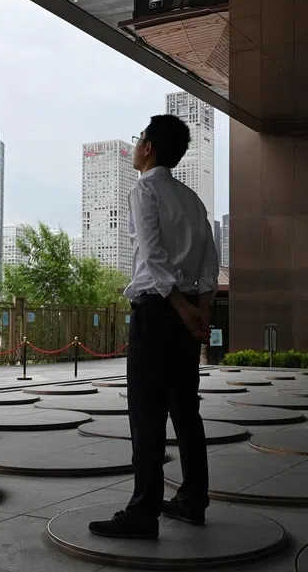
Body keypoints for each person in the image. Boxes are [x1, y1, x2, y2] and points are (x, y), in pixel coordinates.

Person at [89, 114, 219, 540]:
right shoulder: (193, 200)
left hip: (156, 310)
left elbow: (152, 254)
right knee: (186, 410)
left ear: (149, 147)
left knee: (146, 414)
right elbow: (209, 262)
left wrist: (181, 306)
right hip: (184, 314)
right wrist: (199, 309)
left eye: (139, 138)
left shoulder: (145, 190)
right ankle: (193, 499)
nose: (136, 144)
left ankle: (143, 511)